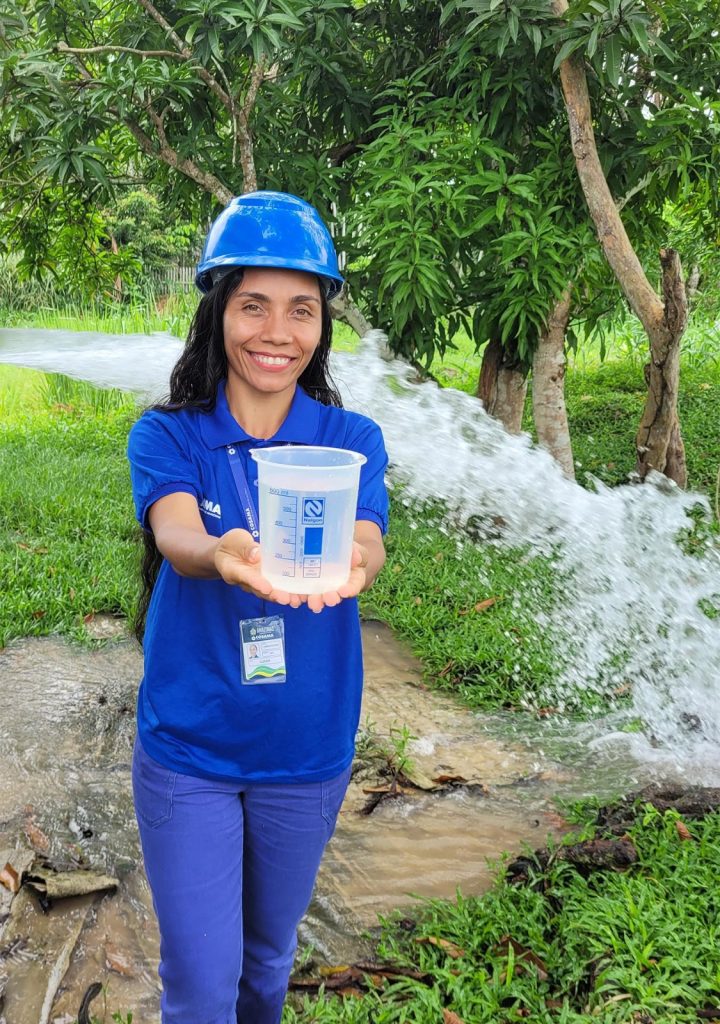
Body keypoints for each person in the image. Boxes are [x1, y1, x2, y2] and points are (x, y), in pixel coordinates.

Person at [127, 191, 388, 1024]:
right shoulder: (168, 437)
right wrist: (222, 555)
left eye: (301, 310)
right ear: (219, 313)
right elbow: (174, 533)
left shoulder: (350, 442)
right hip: (191, 750)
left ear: (321, 327)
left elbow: (367, 541)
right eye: (254, 306)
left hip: (305, 750)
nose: (277, 332)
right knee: (201, 988)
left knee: (267, 969)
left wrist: (356, 563)